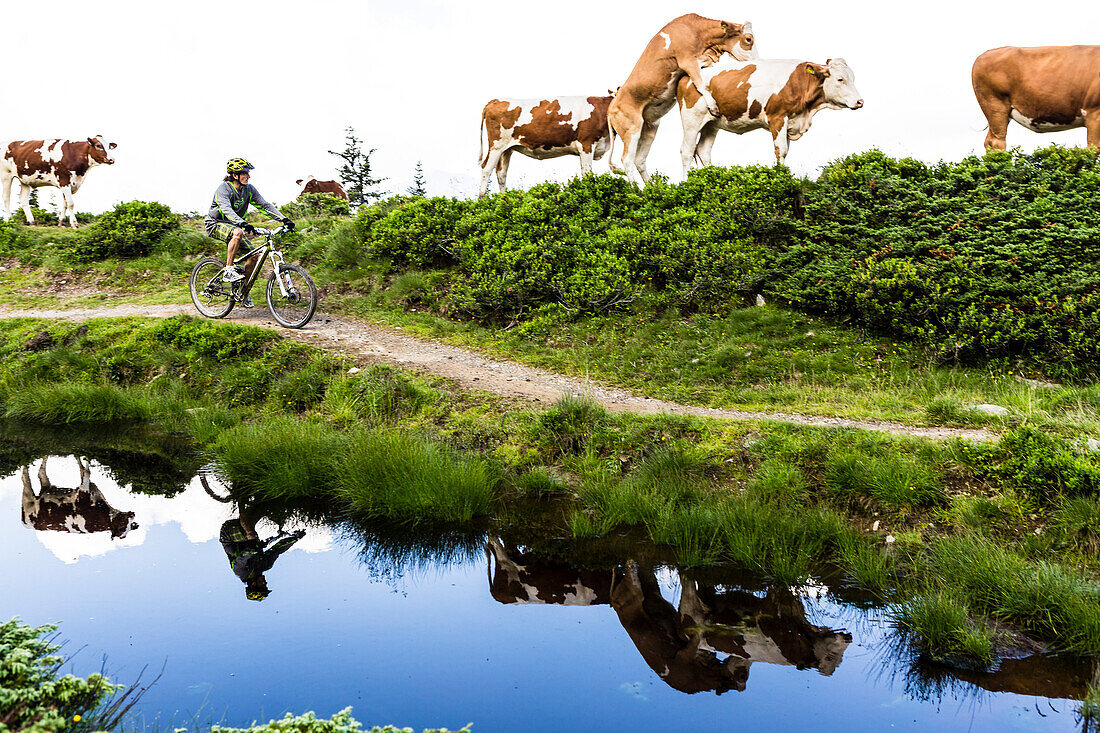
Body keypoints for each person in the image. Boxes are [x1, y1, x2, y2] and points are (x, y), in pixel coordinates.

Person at [204, 157, 295, 307]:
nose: (248, 176)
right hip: (215, 224)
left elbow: (264, 205)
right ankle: (228, 269)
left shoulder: (249, 189)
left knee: (254, 256)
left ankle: (243, 292)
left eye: (248, 173)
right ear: (235, 175)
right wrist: (243, 223)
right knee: (238, 232)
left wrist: (284, 219)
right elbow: (226, 209)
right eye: (245, 173)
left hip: (235, 226)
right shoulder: (223, 189)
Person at [219, 502, 305, 601]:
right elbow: (277, 550)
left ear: (253, 584)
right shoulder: (265, 565)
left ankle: (241, 502)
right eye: (265, 585)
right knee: (276, 531)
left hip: (228, 535)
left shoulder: (241, 571)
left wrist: (253, 549)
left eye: (263, 585)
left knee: (252, 535)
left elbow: (242, 557)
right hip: (250, 539)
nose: (265, 582)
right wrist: (295, 539)